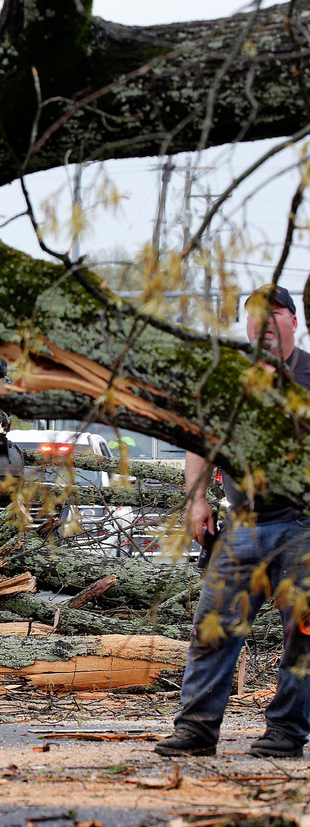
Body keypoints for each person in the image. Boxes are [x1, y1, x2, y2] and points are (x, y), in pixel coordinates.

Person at [156, 284, 310, 758]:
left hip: (304, 526)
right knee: (213, 628)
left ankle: (285, 732)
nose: (262, 325)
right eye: (253, 317)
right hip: (243, 524)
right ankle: (196, 730)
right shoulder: (228, 379)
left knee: (304, 634)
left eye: (274, 315)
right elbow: (199, 439)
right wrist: (196, 500)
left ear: (293, 322)